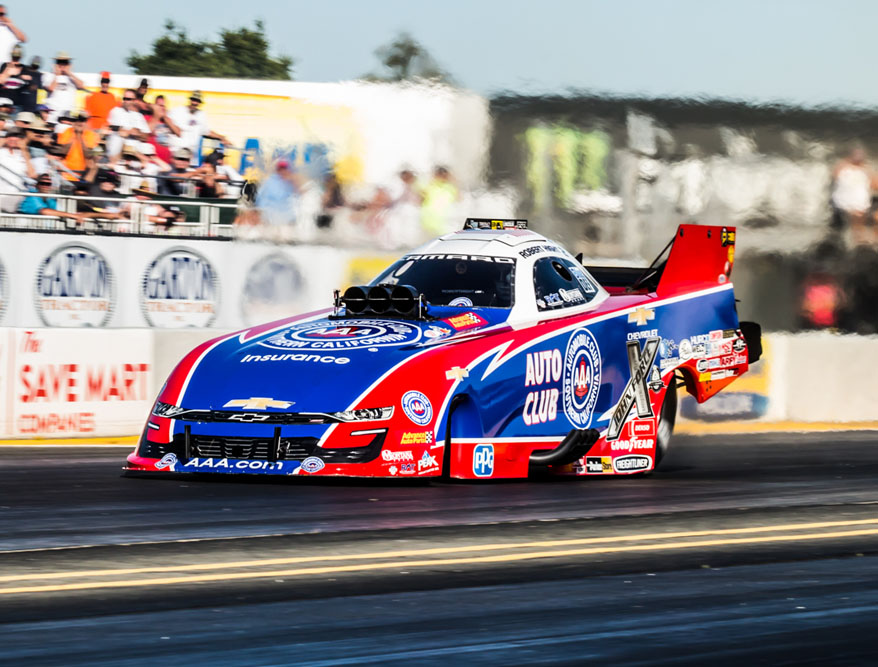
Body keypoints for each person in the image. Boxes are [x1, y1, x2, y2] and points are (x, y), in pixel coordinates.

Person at [168, 90, 228, 164]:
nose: (195, 103)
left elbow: (207, 131)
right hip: (176, 151)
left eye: (197, 101)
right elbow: (166, 122)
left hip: (191, 154)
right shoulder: (177, 111)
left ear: (200, 103)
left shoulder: (201, 115)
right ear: (190, 100)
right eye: (193, 100)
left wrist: (222, 137)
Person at [831, 147, 875, 245]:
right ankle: (854, 239)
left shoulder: (865, 170)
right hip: (845, 201)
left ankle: (857, 239)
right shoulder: (843, 167)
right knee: (851, 220)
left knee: (858, 220)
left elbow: (874, 184)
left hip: (858, 201)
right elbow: (835, 176)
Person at [18, 172, 85, 223]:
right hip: (23, 229)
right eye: (42, 183)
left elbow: (59, 211)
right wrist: (72, 215)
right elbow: (44, 211)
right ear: (37, 185)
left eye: (48, 184)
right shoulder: (32, 196)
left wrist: (80, 215)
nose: (45, 186)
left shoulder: (49, 199)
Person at [42, 51, 87, 122]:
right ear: (56, 64)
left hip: (67, 114)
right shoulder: (48, 76)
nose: (62, 65)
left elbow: (82, 86)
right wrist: (57, 75)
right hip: (52, 113)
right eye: (60, 62)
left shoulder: (72, 78)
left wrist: (69, 73)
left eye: (65, 62)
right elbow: (51, 88)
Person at [105, 89, 149, 160]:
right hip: (118, 153)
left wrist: (138, 133)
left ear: (134, 101)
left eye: (128, 99)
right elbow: (108, 127)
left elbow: (145, 136)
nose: (125, 101)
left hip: (135, 154)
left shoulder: (139, 116)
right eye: (124, 98)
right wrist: (125, 130)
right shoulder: (116, 111)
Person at [0, 127, 36, 211]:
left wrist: (24, 150)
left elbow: (32, 175)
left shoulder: (23, 154)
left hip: (17, 195)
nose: (13, 139)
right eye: (11, 136)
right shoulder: (2, 151)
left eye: (18, 137)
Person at [57, 109, 98, 177]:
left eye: (83, 120)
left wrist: (80, 135)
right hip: (66, 172)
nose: (80, 123)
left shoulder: (91, 135)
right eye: (78, 120)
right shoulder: (67, 131)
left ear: (86, 122)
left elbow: (88, 155)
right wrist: (74, 134)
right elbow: (62, 152)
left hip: (82, 173)